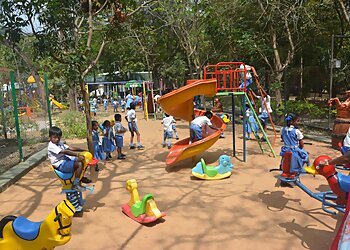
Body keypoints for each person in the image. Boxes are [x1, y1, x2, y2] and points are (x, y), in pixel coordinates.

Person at [48, 126, 88, 192]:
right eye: (54, 137)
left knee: (84, 160)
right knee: (79, 164)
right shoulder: (51, 146)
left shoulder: (59, 143)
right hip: (60, 165)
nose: (57, 139)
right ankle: (75, 185)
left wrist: (83, 150)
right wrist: (77, 155)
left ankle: (80, 177)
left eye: (58, 137)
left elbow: (70, 148)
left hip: (65, 160)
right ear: (50, 137)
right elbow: (65, 151)